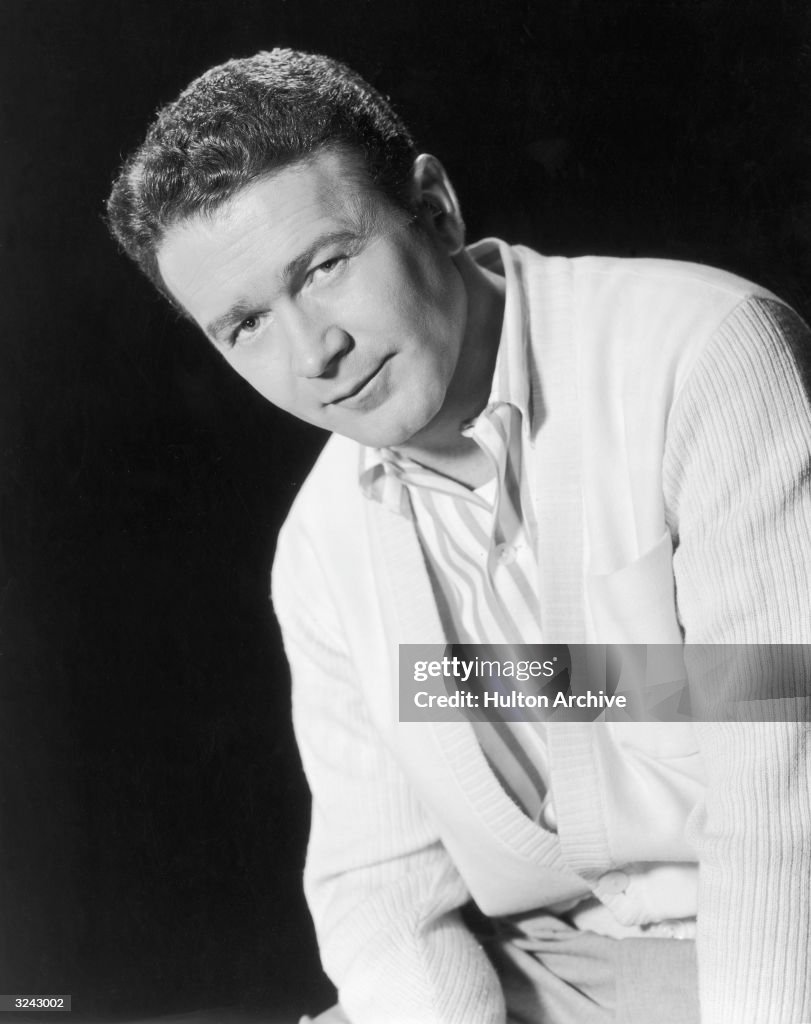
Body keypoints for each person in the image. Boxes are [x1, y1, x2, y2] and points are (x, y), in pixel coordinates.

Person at [106, 48, 811, 1024]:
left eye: (325, 265)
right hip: (558, 970)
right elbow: (383, 889)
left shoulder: (700, 354)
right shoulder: (320, 546)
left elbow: (783, 795)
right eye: (246, 325)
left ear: (434, 207)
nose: (314, 352)